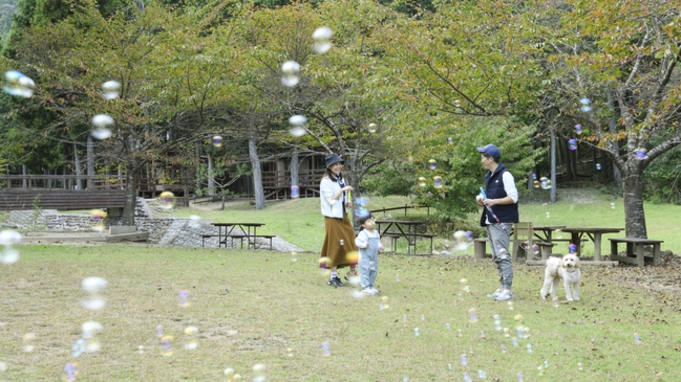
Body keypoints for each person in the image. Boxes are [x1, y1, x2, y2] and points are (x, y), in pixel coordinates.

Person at [476, 144, 519, 301]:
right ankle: (502, 287)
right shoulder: (489, 175)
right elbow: (491, 199)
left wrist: (494, 201)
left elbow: (513, 198)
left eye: (483, 157)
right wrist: (484, 201)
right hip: (490, 220)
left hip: (502, 221)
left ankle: (507, 289)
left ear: (490, 158)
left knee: (502, 255)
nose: (481, 160)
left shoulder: (505, 175)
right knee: (496, 255)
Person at [320, 153, 359, 287]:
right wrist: (342, 190)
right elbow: (330, 201)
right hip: (332, 218)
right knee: (335, 246)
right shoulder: (326, 181)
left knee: (351, 242)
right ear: (329, 167)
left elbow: (341, 199)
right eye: (334, 165)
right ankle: (333, 278)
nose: (338, 166)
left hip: (343, 215)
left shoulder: (341, 179)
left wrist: (346, 203)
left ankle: (352, 272)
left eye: (339, 164)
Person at [354, 214, 384, 295]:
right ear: (363, 225)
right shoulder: (363, 233)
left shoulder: (376, 233)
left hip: (373, 257)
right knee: (365, 271)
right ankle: (365, 288)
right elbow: (357, 242)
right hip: (365, 257)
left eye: (372, 220)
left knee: (373, 270)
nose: (372, 222)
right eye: (369, 221)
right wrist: (364, 245)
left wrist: (380, 246)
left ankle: (370, 286)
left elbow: (377, 243)